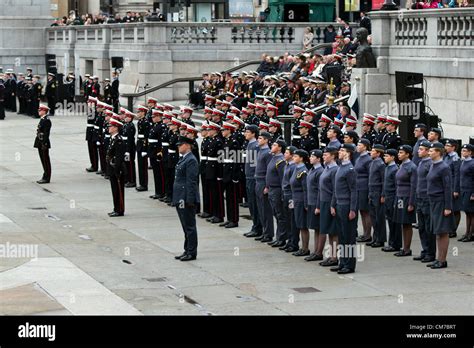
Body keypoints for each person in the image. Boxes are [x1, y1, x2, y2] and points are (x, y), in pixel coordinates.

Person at [426, 142, 455, 269]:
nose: (429, 152)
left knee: (442, 231)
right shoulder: (433, 165)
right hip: (433, 201)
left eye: (431, 151)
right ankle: (439, 258)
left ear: (438, 152)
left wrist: (448, 207)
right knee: (437, 231)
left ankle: (442, 260)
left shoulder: (444, 167)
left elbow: (448, 188)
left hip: (441, 202)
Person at [331, 143, 358, 274]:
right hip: (339, 204)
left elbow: (354, 191)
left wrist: (353, 209)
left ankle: (350, 264)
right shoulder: (340, 167)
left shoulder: (350, 170)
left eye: (342, 151)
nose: (339, 153)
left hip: (347, 205)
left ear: (348, 153)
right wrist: (333, 204)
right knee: (341, 236)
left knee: (349, 237)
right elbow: (335, 190)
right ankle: (342, 262)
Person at [173, 136, 200, 262]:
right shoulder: (184, 158)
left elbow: (191, 182)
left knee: (189, 226)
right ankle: (187, 249)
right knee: (185, 226)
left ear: (188, 145)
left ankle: (192, 252)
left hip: (185, 198)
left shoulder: (191, 160)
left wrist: (190, 200)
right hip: (180, 196)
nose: (179, 147)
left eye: (181, 144)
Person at [393, 145, 417, 257]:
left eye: (401, 152)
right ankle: (404, 247)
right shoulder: (402, 165)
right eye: (399, 152)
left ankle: (407, 248)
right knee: (402, 222)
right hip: (399, 196)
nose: (399, 154)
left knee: (407, 222)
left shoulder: (411, 167)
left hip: (407, 197)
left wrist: (411, 203)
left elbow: (413, 186)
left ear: (407, 154)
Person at [413, 141, 435, 263]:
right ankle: (425, 250)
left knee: (428, 227)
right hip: (419, 197)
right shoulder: (421, 163)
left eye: (421, 149)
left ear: (427, 151)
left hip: (426, 199)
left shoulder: (430, 164)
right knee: (421, 227)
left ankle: (430, 252)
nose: (418, 151)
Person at [317, 147, 339, 267]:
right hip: (323, 201)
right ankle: (331, 256)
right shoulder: (326, 168)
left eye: (326, 155)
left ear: (332, 156)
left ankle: (334, 257)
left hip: (330, 202)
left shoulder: (334, 170)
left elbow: (335, 190)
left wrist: (332, 205)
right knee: (328, 230)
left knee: (333, 231)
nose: (323, 157)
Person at [266, 139, 287, 247]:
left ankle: (281, 238)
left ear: (279, 148)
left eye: (274, 145)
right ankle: (279, 236)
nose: (272, 146)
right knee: (276, 213)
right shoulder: (274, 158)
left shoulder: (281, 161)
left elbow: (282, 178)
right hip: (272, 189)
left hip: (277, 190)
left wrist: (282, 192)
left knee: (280, 214)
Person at [254, 131, 275, 243]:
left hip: (263, 181)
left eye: (261, 138)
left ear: (266, 140)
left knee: (266, 210)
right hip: (258, 180)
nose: (258, 140)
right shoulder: (261, 151)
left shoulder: (267, 153)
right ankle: (264, 231)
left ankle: (268, 234)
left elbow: (269, 171)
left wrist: (267, 186)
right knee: (260, 209)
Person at [243, 125, 263, 238]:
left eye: (247, 132)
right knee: (251, 204)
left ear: (253, 134)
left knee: (255, 205)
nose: (245, 133)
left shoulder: (255, 146)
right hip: (249, 177)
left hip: (253, 178)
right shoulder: (250, 144)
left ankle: (258, 227)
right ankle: (255, 226)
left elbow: (256, 164)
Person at [220, 122, 240, 228]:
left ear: (229, 130)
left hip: (231, 173)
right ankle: (229, 218)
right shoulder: (226, 141)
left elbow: (237, 160)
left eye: (224, 130)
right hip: (226, 171)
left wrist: (235, 177)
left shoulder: (234, 142)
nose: (222, 132)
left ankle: (234, 220)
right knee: (228, 197)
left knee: (233, 198)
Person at [305, 149, 324, 261]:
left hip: (317, 203)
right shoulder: (312, 170)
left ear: (318, 159)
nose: (310, 158)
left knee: (320, 228)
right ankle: (316, 251)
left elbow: (319, 191)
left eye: (313, 157)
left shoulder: (320, 171)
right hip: (311, 201)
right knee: (316, 228)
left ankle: (319, 252)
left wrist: (318, 206)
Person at [289, 149, 309, 256]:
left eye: (296, 156)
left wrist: (306, 204)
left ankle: (305, 248)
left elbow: (305, 189)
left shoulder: (303, 171)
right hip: (295, 198)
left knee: (302, 225)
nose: (293, 158)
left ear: (301, 158)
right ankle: (303, 247)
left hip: (301, 199)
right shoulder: (296, 169)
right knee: (299, 224)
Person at [381, 149, 402, 252]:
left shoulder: (394, 169)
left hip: (393, 197)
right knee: (390, 221)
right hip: (388, 197)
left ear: (393, 157)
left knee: (395, 222)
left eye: (387, 156)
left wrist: (395, 201)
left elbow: (396, 186)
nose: (384, 158)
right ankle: (391, 242)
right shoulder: (387, 168)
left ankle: (395, 244)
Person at [280, 146, 299, 252]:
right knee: (287, 218)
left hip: (291, 196)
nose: (284, 154)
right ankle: (289, 241)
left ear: (291, 155)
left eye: (287, 153)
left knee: (292, 219)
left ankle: (294, 242)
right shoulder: (286, 165)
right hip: (286, 194)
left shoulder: (293, 167)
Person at [106, 116, 126, 217]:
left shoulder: (118, 140)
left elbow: (119, 157)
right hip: (112, 168)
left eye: (111, 126)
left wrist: (117, 171)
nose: (109, 128)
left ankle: (120, 209)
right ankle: (116, 208)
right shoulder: (113, 139)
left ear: (116, 128)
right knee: (114, 190)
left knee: (118, 190)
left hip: (117, 169)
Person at [367, 144, 386, 248]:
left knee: (379, 217)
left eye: (373, 151)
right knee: (373, 216)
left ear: (378, 153)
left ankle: (380, 239)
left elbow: (383, 180)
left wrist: (383, 194)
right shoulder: (372, 163)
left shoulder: (380, 164)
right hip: (372, 191)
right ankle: (375, 237)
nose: (371, 152)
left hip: (378, 191)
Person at [354, 139, 372, 243]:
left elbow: (370, 175)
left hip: (364, 186)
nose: (357, 146)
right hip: (359, 186)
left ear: (365, 147)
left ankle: (368, 234)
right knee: (362, 211)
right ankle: (365, 233)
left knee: (366, 211)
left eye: (360, 145)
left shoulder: (367, 159)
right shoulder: (359, 157)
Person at [443, 139, 461, 238]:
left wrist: (456, 189)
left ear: (453, 147)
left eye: (448, 145)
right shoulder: (446, 157)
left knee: (455, 209)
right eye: (445, 145)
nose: (446, 147)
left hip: (453, 185)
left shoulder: (455, 158)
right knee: (449, 208)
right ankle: (449, 227)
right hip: (446, 185)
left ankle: (453, 230)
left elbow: (457, 175)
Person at [457, 144, 474, 242]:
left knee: (472, 213)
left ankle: (471, 234)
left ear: (470, 152)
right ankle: (467, 233)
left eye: (465, 150)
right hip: (463, 190)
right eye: (462, 150)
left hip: (470, 190)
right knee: (467, 213)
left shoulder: (472, 163)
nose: (462, 152)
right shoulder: (463, 162)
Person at [34, 104, 52, 184]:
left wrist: (44, 143)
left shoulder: (46, 120)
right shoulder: (43, 119)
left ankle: (47, 177)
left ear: (44, 111)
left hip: (43, 143)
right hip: (40, 142)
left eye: (40, 110)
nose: (38, 111)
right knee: (43, 160)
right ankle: (45, 175)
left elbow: (46, 133)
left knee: (46, 161)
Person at [135, 105, 151, 192]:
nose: (137, 113)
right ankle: (141, 183)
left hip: (143, 145)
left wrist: (145, 149)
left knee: (143, 167)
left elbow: (146, 137)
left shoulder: (146, 122)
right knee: (140, 166)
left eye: (139, 112)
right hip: (139, 144)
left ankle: (144, 185)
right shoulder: (140, 121)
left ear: (143, 113)